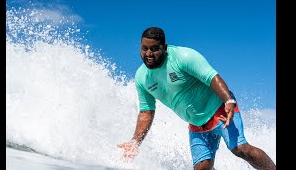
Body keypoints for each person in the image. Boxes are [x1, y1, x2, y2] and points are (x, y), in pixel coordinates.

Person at [117, 27, 276, 170]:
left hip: (219, 109)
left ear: (164, 48)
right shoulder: (141, 77)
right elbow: (146, 112)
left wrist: (228, 101)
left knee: (240, 149)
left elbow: (211, 77)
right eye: (144, 49)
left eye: (154, 49)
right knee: (202, 167)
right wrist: (135, 142)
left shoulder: (183, 56)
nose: (148, 54)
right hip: (197, 124)